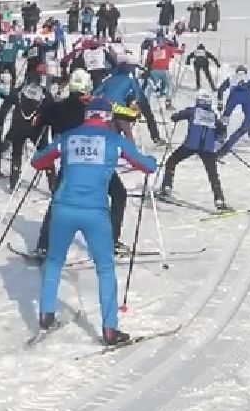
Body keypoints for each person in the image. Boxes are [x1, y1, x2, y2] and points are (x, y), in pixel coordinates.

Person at [28, 96, 157, 344]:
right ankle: (109, 329)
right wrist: (153, 161)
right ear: (108, 118)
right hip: (95, 212)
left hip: (63, 208)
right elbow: (146, 165)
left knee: (54, 261)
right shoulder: (113, 140)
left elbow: (38, 161)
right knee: (105, 268)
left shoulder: (69, 137)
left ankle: (46, 314)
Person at [159, 92, 230, 211]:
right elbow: (221, 130)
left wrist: (176, 118)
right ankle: (219, 200)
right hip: (208, 149)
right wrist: (219, 138)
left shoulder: (193, 111)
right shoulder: (213, 115)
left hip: (190, 145)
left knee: (171, 161)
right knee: (213, 174)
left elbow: (175, 116)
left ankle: (166, 187)